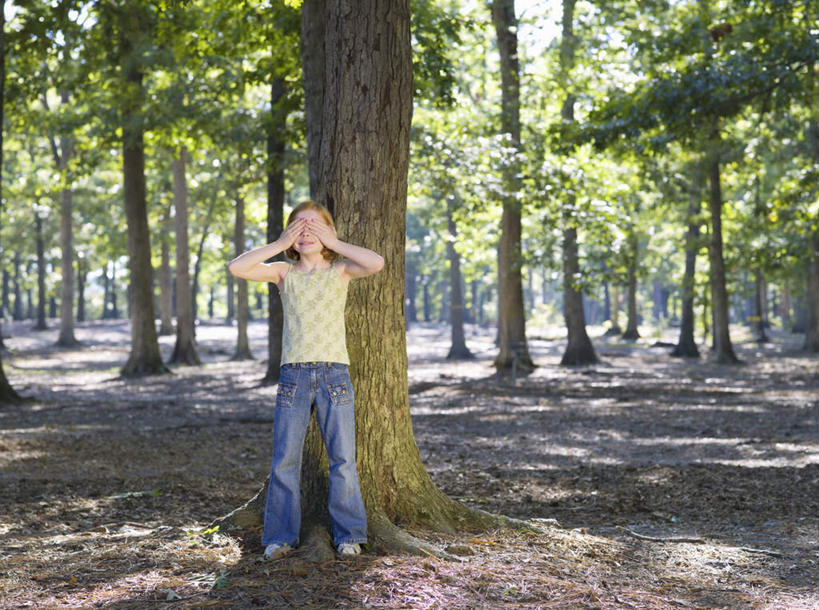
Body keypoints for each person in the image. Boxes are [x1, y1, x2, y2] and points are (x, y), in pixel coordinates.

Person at [228, 200, 384, 560]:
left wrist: (335, 241)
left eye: (314, 225)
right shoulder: (284, 272)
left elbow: (376, 262)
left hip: (335, 375)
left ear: (328, 232)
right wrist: (282, 243)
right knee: (285, 459)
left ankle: (349, 535)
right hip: (294, 377)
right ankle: (280, 537)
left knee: (343, 458)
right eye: (299, 225)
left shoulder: (341, 269)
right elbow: (237, 267)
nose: (306, 231)